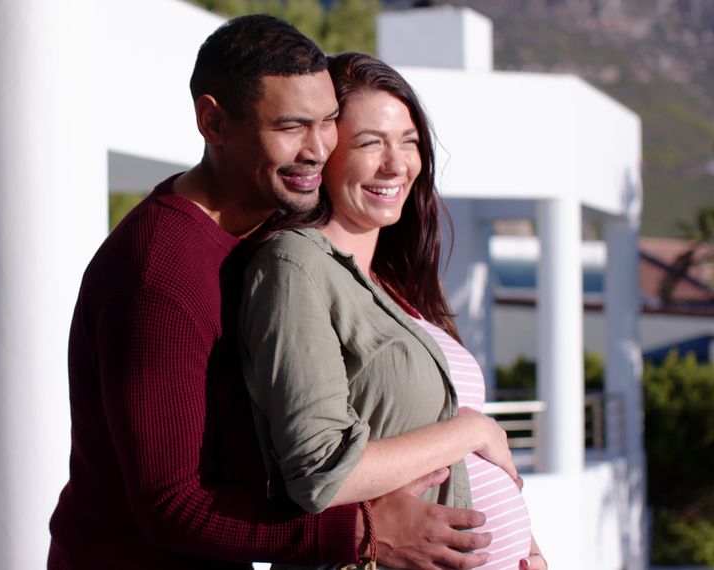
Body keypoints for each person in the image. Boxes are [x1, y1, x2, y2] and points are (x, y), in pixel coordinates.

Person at [48, 16, 494, 570]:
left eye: (328, 122)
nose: (318, 149)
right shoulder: (158, 274)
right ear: (213, 121)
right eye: (290, 127)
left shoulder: (266, 233)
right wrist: (363, 533)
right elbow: (171, 505)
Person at [238, 52, 547, 570]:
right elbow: (321, 471)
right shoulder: (295, 264)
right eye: (370, 143)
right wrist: (470, 429)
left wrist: (531, 551)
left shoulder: (394, 286)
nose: (396, 163)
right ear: (325, 153)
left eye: (408, 141)